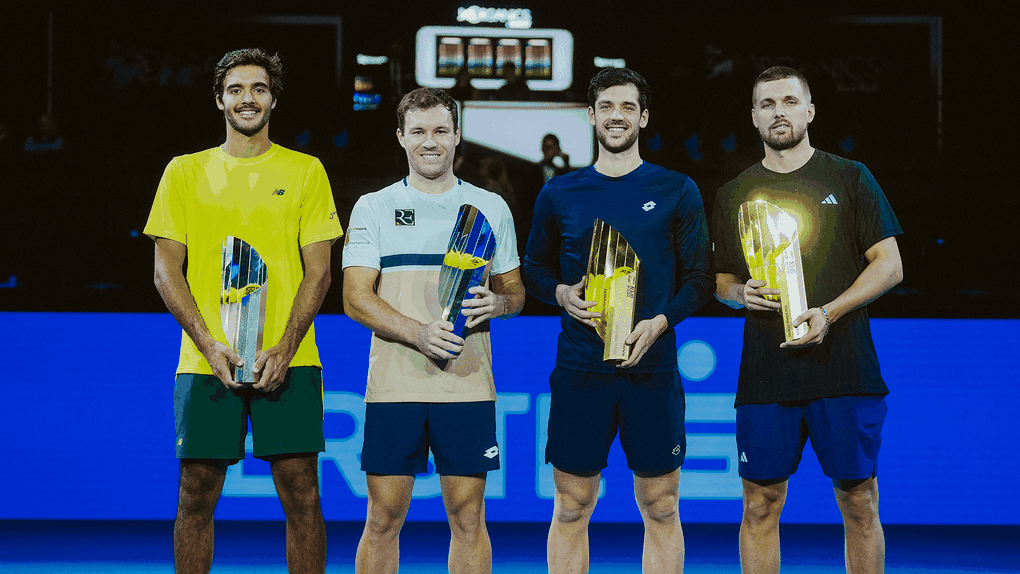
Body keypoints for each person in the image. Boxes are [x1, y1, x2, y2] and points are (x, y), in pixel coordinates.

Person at [144, 48, 342, 574]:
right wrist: (210, 346)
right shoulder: (184, 172)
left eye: (258, 88)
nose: (247, 98)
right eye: (235, 89)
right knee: (195, 492)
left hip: (290, 360)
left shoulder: (306, 171)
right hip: (205, 360)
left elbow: (320, 272)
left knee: (302, 493)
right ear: (219, 100)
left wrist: (286, 346)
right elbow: (166, 272)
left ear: (273, 99)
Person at [712, 66, 903, 574]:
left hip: (844, 367)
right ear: (754, 118)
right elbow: (721, 279)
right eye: (768, 104)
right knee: (759, 505)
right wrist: (740, 293)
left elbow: (889, 264)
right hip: (766, 373)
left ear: (810, 111)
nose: (779, 112)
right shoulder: (733, 193)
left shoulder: (850, 176)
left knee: (859, 502)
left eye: (790, 102)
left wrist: (830, 312)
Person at [522, 67, 714, 573]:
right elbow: (533, 268)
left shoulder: (677, 189)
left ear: (643, 117)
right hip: (581, 368)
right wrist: (561, 293)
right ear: (591, 115)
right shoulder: (559, 193)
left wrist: (661, 321)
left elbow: (700, 279)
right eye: (606, 106)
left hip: (652, 369)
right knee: (571, 505)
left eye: (628, 106)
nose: (616, 116)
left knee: (662, 506)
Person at [342, 87, 524, 574]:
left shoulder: (490, 207)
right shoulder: (374, 206)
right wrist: (418, 334)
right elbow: (355, 297)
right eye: (418, 131)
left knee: (468, 518)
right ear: (401, 137)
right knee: (382, 517)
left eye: (441, 130)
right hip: (394, 386)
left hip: (466, 385)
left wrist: (500, 303)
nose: (430, 141)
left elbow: (515, 292)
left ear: (457, 136)